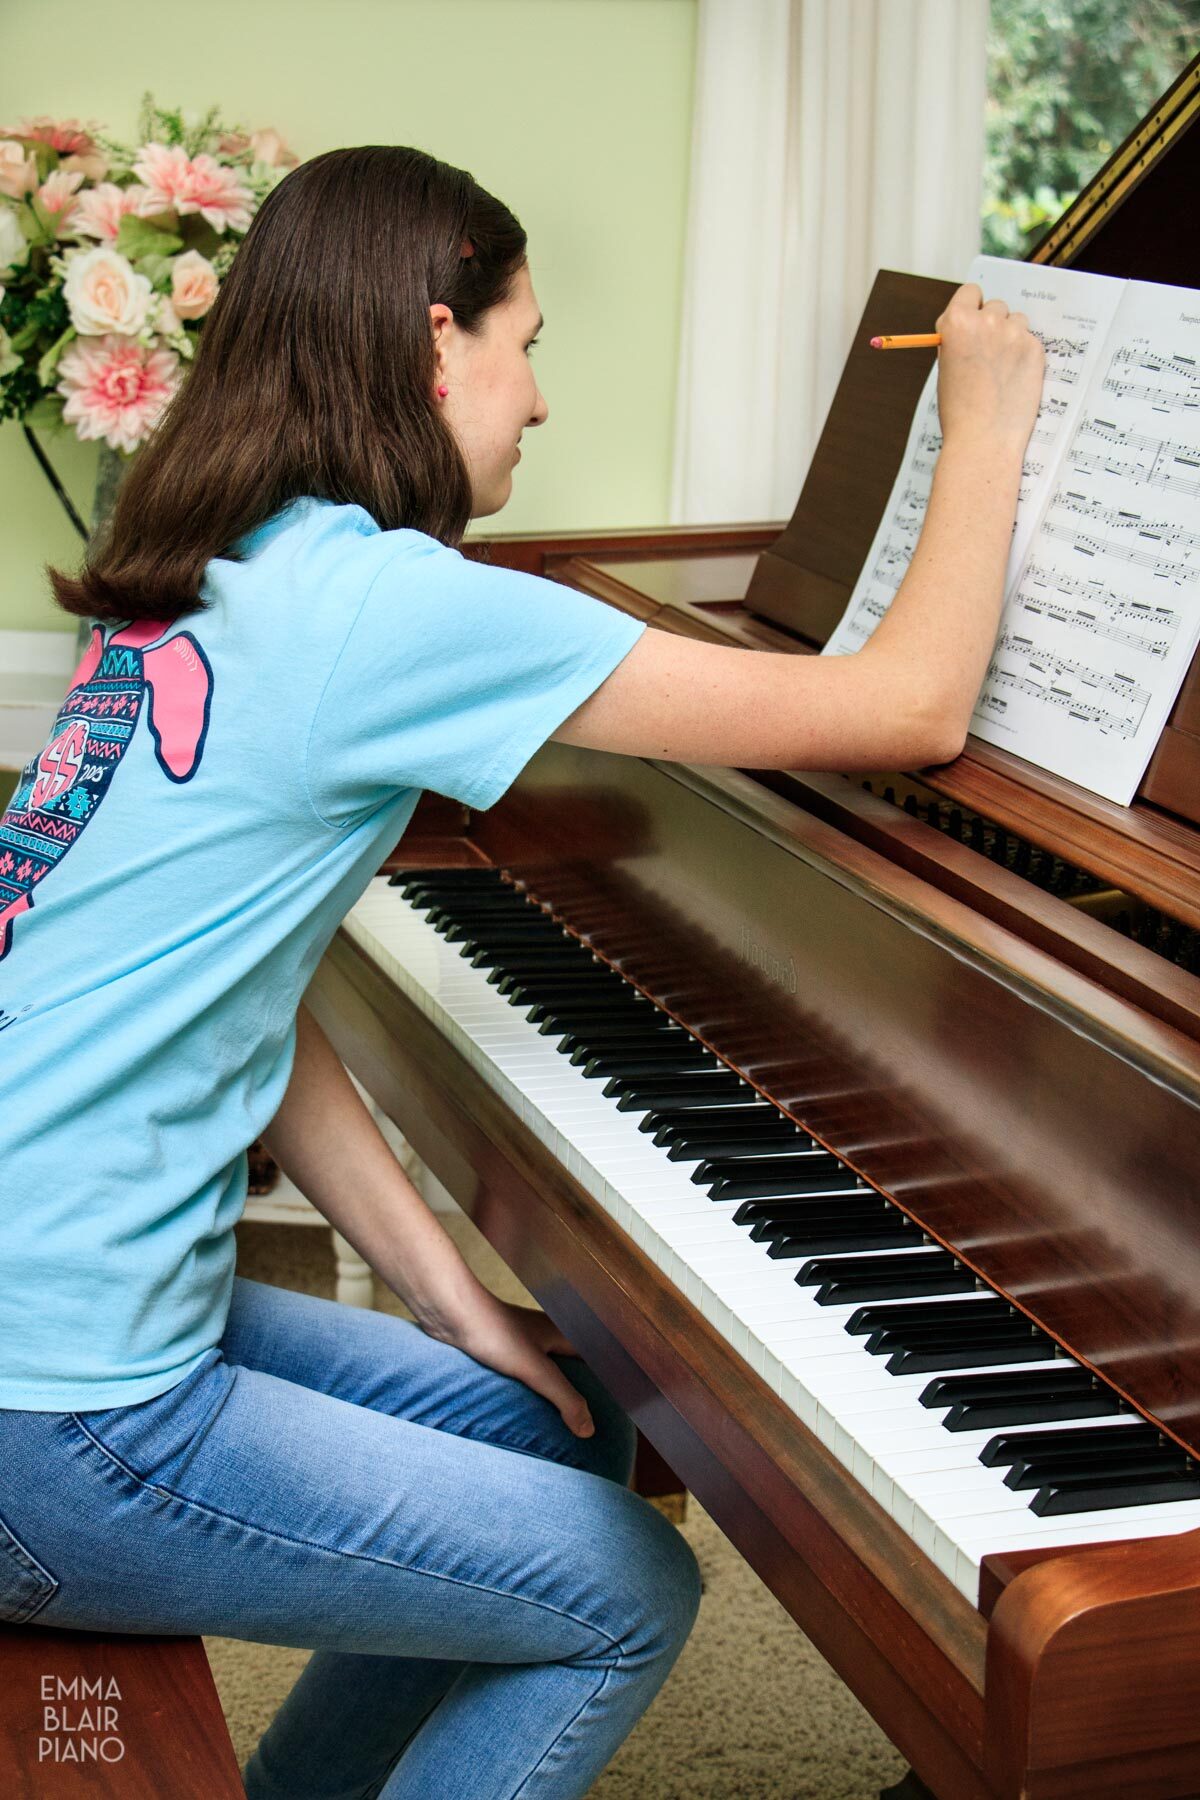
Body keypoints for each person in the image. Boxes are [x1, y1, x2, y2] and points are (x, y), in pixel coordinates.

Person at [0, 144, 1044, 1799]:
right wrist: (987, 415)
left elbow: (234, 1011)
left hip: (45, 1323)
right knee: (626, 1588)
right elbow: (904, 713)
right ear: (434, 347)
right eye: (527, 342)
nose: (538, 400)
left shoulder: (208, 566)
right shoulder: (394, 609)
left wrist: (449, 1299)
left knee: (541, 1415)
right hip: (53, 1422)